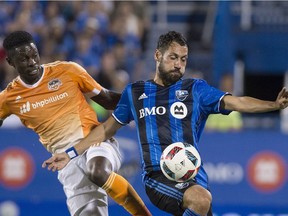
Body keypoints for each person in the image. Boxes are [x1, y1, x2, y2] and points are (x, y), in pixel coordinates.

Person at [43, 31, 288, 216]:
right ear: (157, 56)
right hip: (157, 178)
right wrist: (71, 153)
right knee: (200, 200)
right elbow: (107, 129)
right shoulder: (135, 92)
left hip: (194, 178)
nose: (179, 64)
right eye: (173, 57)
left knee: (202, 199)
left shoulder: (196, 90)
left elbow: (237, 102)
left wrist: (273, 105)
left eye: (183, 59)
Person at [0, 31, 151, 216]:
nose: (32, 62)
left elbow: (107, 99)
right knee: (91, 213)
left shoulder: (67, 71)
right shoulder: (9, 98)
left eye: (34, 55)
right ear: (10, 62)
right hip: (66, 161)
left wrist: (142, 102)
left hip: (95, 143)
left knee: (97, 170)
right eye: (23, 59)